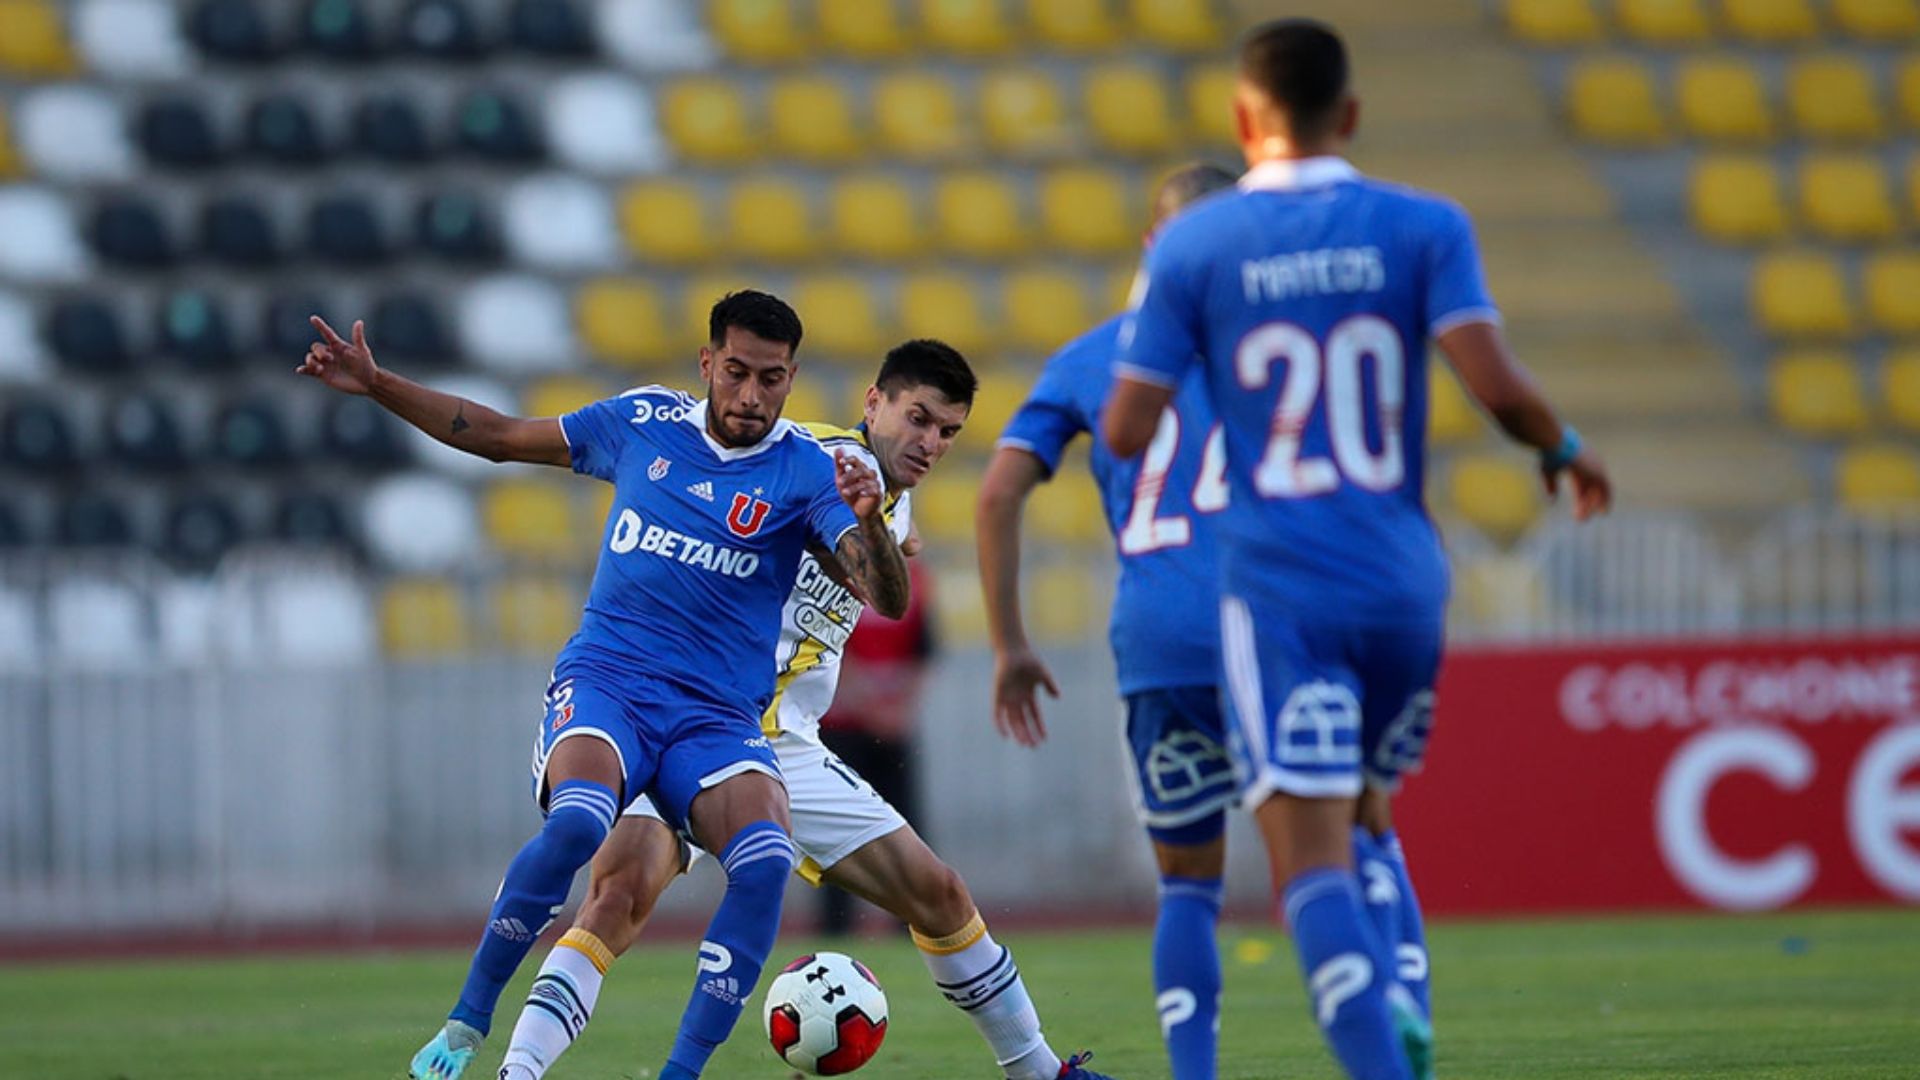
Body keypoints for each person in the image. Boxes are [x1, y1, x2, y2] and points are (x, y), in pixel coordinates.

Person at [1104, 20, 1613, 1080]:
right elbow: (1496, 382)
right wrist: (1564, 450)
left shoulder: (1199, 246)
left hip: (1282, 587)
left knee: (1310, 860)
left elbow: (1125, 430)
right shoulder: (1424, 226)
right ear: (1350, 115)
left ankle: (1382, 1054)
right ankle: (1402, 993)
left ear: (1246, 120)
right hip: (1403, 580)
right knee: (1373, 815)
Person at [297, 290, 912, 1080]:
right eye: (736, 373)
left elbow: (885, 600)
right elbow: (498, 438)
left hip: (717, 719)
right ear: (706, 364)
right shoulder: (642, 422)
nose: (752, 396)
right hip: (610, 685)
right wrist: (380, 383)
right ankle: (464, 1025)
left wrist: (868, 523)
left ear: (791, 379)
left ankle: (678, 1074)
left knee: (763, 861)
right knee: (583, 825)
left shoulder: (809, 471)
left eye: (771, 378)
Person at [488, 340, 1113, 1080]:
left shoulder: (888, 498)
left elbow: (889, 552)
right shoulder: (807, 459)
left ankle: (1039, 1072)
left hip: (785, 744)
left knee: (939, 894)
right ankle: (517, 1071)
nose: (931, 443)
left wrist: (894, 529)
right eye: (917, 419)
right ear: (873, 402)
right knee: (618, 894)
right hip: (694, 717)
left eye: (948, 431)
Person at [977, 161, 1241, 1080]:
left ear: (1149, 243)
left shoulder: (1096, 355)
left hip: (1162, 640)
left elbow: (1000, 490)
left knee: (1190, 889)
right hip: (1279, 631)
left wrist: (1011, 643)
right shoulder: (1280, 341)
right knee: (1350, 855)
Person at [814, 554, 935, 936]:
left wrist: (901, 710)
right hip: (842, 723)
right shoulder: (834, 572)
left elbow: (925, 650)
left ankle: (912, 920)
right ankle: (836, 924)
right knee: (833, 827)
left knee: (906, 821)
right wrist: (869, 705)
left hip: (895, 724)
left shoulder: (915, 580)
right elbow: (825, 644)